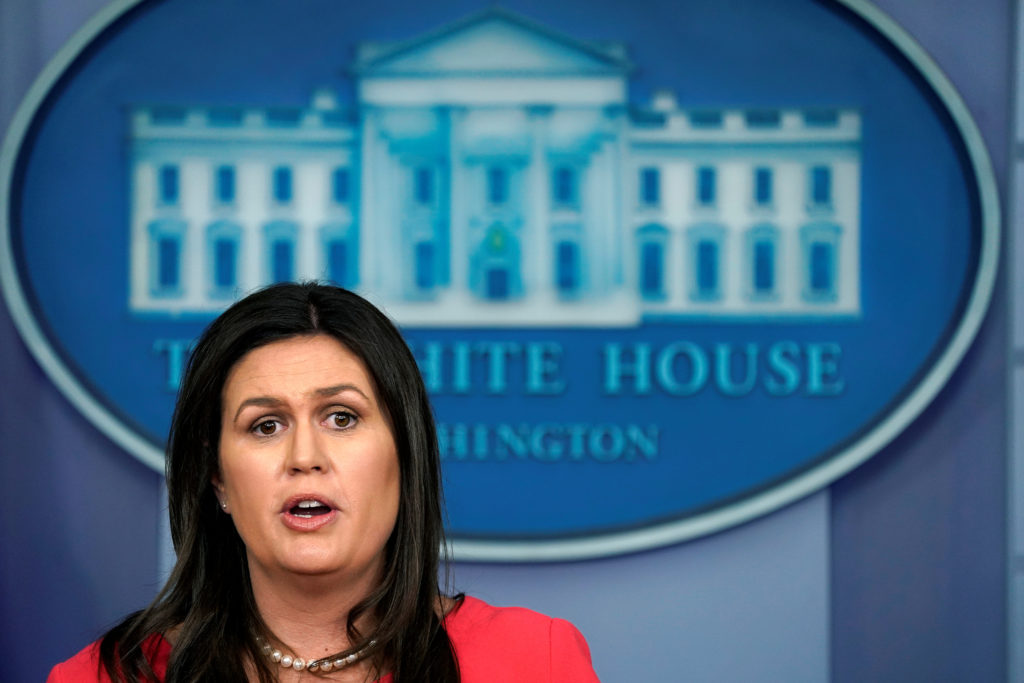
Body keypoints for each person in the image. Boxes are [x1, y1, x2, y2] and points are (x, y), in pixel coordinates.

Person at [48, 282, 599, 682]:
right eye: (265, 426)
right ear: (217, 479)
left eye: (342, 417)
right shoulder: (104, 676)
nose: (304, 457)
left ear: (405, 457)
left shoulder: (535, 659)